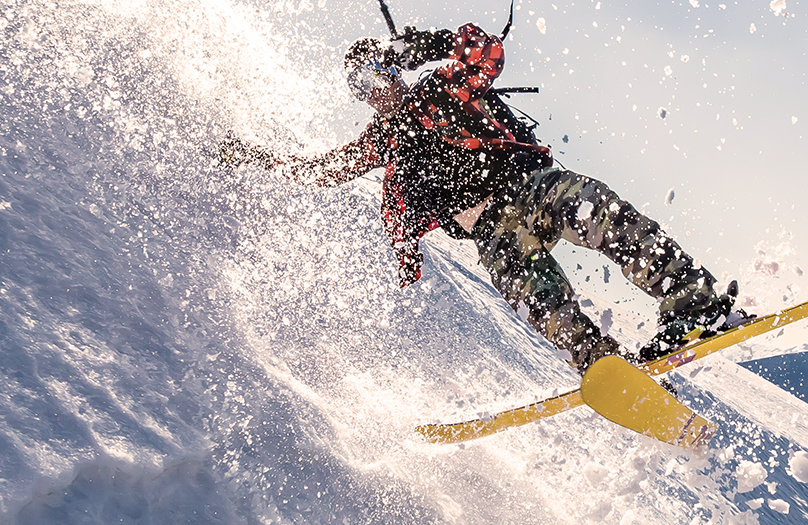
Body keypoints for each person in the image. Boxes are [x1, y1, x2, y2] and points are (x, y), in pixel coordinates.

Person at [217, 23, 743, 371]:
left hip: (530, 189)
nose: (372, 88)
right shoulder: (383, 139)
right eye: (359, 85)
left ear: (394, 69)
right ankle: (607, 367)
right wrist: (256, 158)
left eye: (376, 72)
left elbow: (487, 50)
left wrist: (429, 44)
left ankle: (696, 305)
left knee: (596, 210)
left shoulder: (442, 88)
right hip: (494, 231)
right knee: (536, 301)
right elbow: (323, 170)